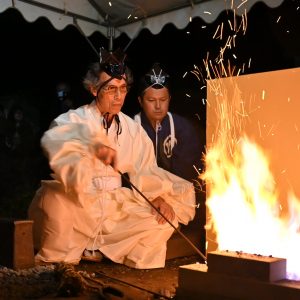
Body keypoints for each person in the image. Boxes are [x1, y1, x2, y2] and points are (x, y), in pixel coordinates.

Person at [28, 49, 196, 269]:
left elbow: (145, 170)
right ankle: (68, 255)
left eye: (123, 89)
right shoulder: (76, 118)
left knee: (164, 219)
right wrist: (92, 145)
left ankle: (103, 250)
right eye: (111, 89)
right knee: (54, 199)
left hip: (115, 207)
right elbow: (55, 138)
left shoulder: (132, 129)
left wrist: (158, 198)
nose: (119, 96)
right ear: (93, 89)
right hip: (81, 204)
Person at [134, 63, 203, 182]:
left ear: (169, 99)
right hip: (141, 193)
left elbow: (186, 175)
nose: (158, 106)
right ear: (140, 101)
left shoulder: (184, 129)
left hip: (176, 192)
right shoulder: (130, 128)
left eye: (163, 100)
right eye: (151, 100)